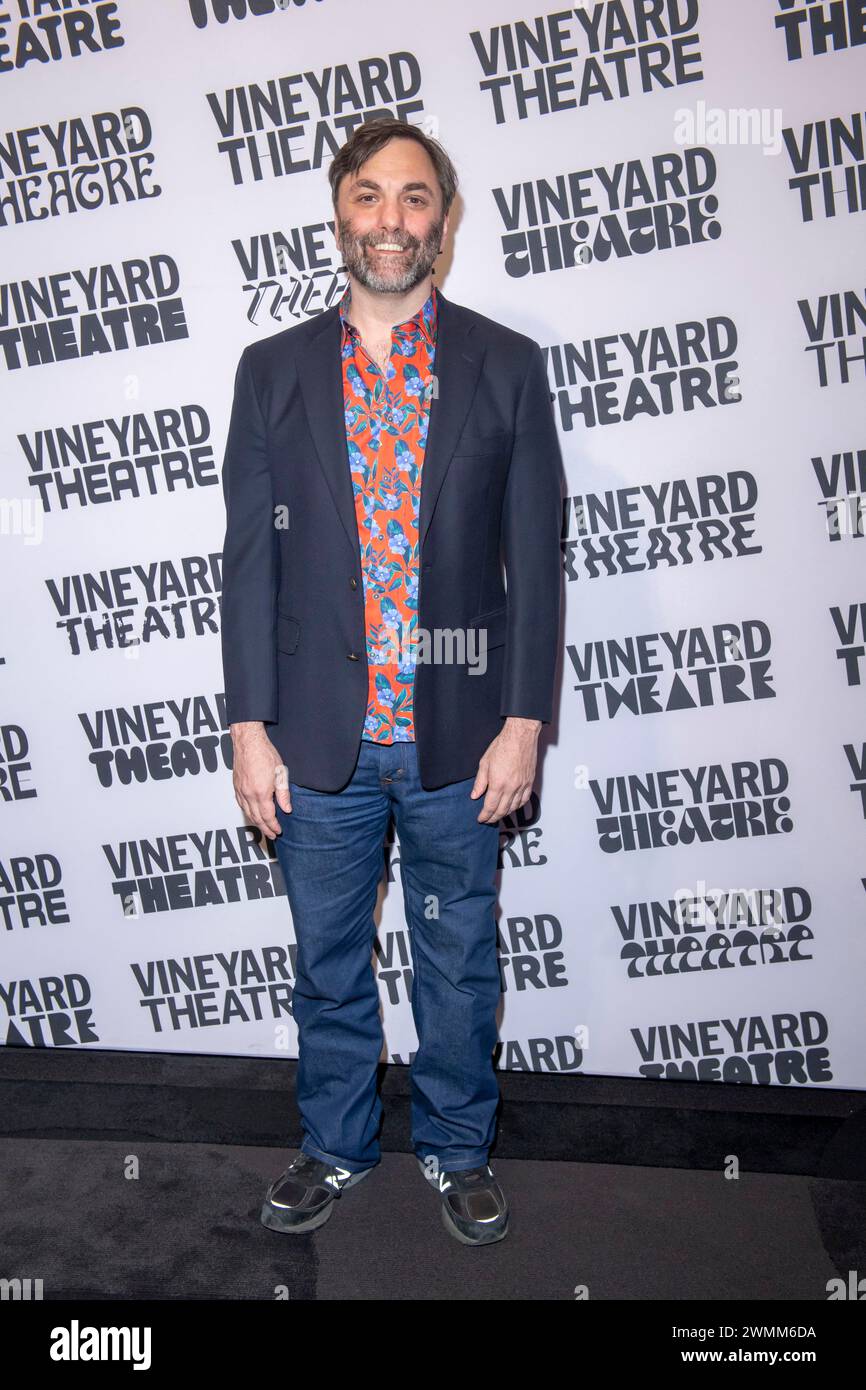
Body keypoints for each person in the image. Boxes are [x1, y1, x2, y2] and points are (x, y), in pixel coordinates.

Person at [220, 117, 562, 1246]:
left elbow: (534, 559)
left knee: (458, 956)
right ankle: (334, 1144)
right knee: (326, 962)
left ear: (443, 223)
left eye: (414, 199)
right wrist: (247, 724)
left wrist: (522, 722)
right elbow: (249, 564)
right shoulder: (269, 372)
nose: (390, 220)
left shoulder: (504, 365)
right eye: (369, 196)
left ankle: (458, 1150)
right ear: (339, 213)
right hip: (315, 737)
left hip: (460, 735)